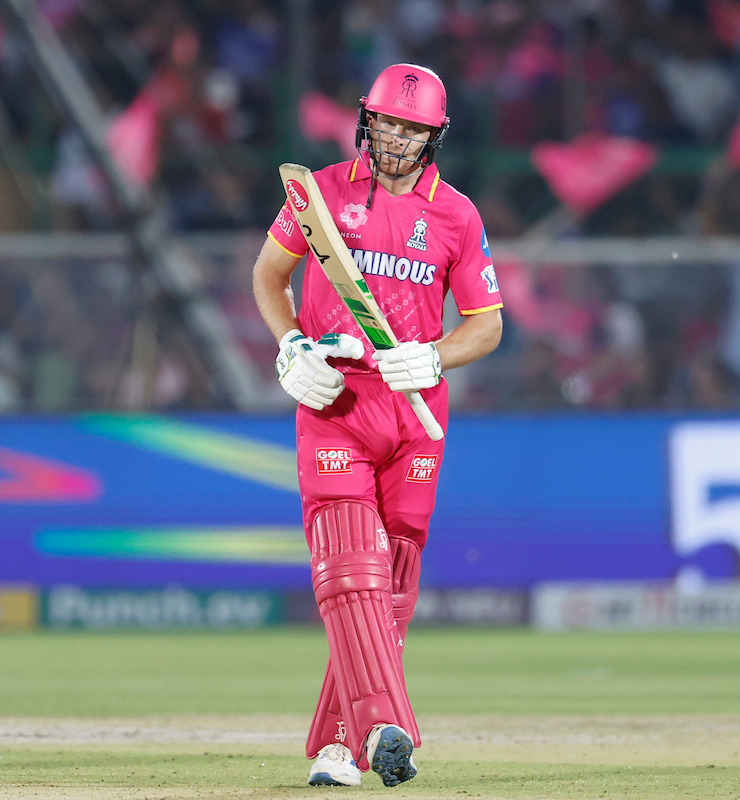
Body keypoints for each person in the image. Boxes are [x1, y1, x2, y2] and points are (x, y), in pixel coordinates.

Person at [251, 63, 503, 788]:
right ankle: (389, 727)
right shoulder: (321, 193)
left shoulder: (457, 215)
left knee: (391, 583)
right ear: (367, 119)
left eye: (412, 128)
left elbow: (486, 325)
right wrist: (291, 344)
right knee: (347, 565)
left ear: (435, 135)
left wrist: (435, 356)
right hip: (337, 398)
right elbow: (269, 276)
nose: (397, 137)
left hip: (415, 410)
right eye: (388, 122)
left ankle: (340, 745)